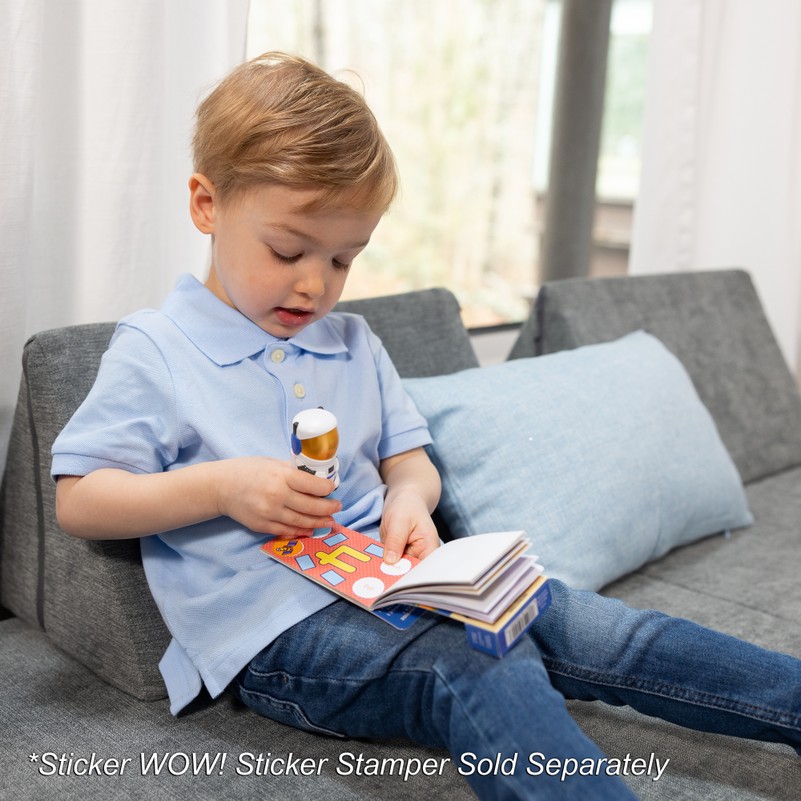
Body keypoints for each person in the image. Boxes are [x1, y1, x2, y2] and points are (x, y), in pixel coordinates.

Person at [51, 52, 800, 801]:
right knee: (477, 663)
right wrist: (220, 487)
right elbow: (80, 498)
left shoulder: (353, 343)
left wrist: (409, 499)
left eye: (343, 259)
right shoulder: (158, 350)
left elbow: (408, 461)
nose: (314, 284)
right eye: (287, 250)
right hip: (278, 634)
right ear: (206, 205)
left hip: (403, 582)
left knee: (596, 626)